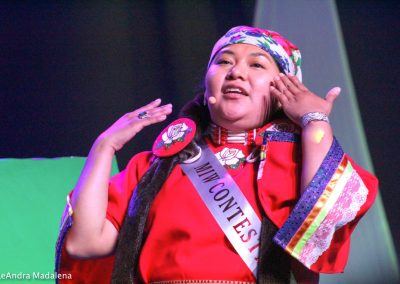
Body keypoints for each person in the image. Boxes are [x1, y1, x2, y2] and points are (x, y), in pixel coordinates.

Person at [55, 26, 378, 284]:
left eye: (256, 64)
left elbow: (322, 223)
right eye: (224, 61)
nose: (236, 72)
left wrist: (314, 122)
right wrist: (103, 147)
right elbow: (85, 244)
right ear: (206, 86)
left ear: (283, 90)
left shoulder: (296, 164)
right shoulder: (153, 168)